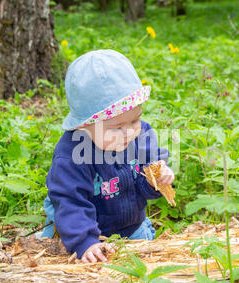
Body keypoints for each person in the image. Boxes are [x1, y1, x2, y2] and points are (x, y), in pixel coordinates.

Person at [38, 49, 174, 263]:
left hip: (132, 228)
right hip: (80, 232)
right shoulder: (73, 155)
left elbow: (144, 181)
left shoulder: (141, 135)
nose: (129, 132)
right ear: (85, 125)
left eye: (135, 120)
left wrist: (156, 179)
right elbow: (70, 200)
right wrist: (85, 242)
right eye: (117, 127)